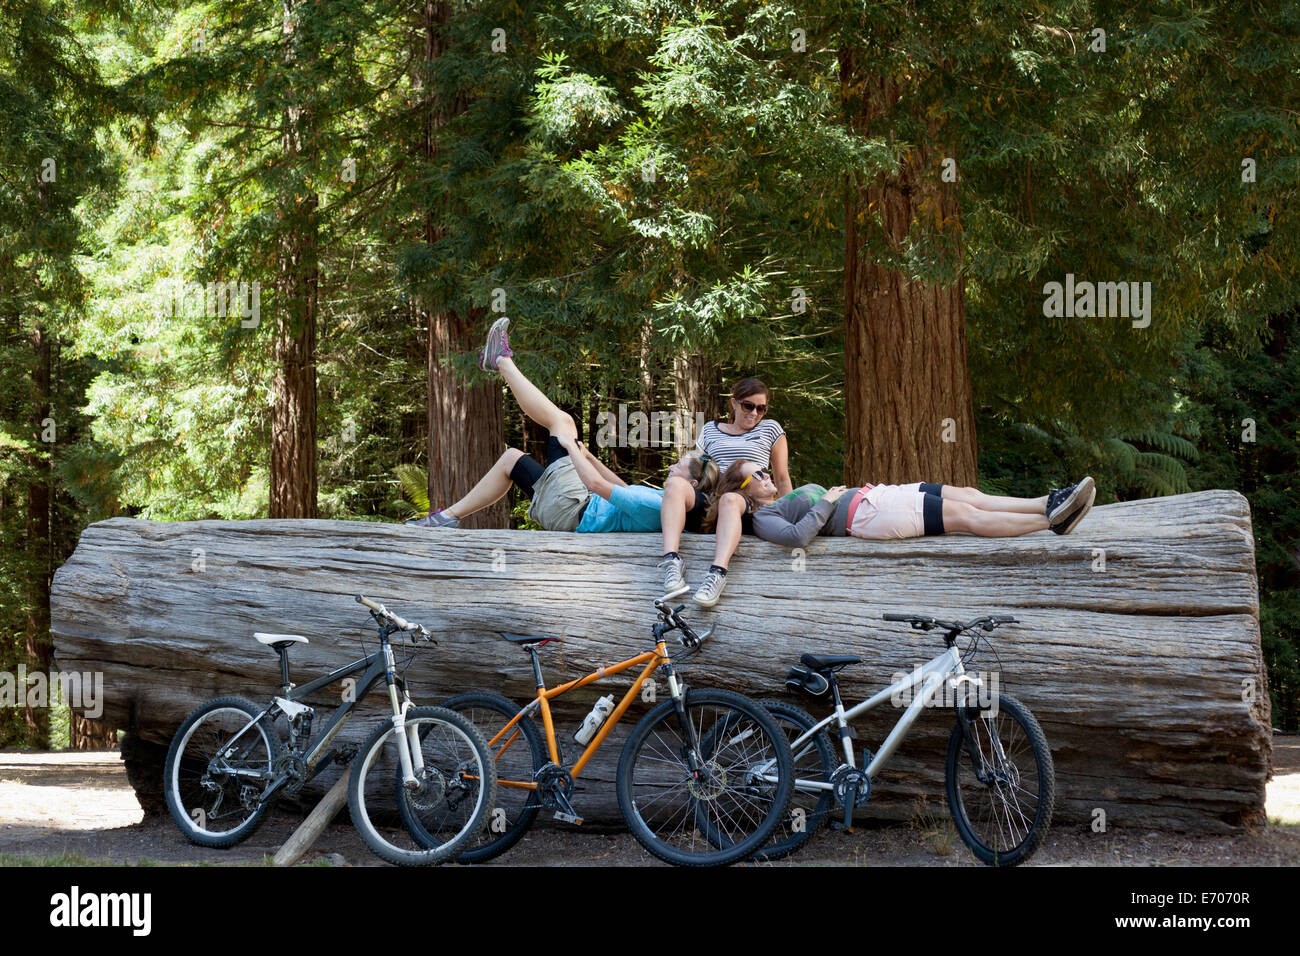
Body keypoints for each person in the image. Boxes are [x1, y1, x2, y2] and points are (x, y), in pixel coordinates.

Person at [407, 318, 718, 533]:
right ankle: (445, 518)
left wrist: (572, 449)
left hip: (574, 509)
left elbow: (598, 487)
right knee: (512, 459)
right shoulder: (661, 505)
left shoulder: (659, 503)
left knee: (563, 422)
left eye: (680, 466)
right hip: (569, 511)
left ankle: (501, 359)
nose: (672, 466)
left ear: (691, 485)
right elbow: (622, 490)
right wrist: (591, 458)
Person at [702, 461, 1096, 554]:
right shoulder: (763, 518)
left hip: (877, 495)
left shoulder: (780, 498)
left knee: (967, 494)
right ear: (743, 490)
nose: (769, 477)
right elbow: (797, 538)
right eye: (759, 476)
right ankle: (1050, 524)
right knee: (965, 518)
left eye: (768, 470)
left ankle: (1049, 501)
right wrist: (825, 502)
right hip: (868, 516)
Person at [659, 377, 793, 607]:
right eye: (748, 405)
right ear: (734, 403)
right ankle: (671, 561)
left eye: (761, 408)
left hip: (748, 499)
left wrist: (790, 513)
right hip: (711, 497)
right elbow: (693, 466)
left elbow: (781, 477)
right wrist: (677, 474)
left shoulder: (771, 429)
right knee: (674, 485)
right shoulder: (711, 430)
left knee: (731, 499)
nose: (754, 413)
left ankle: (717, 573)